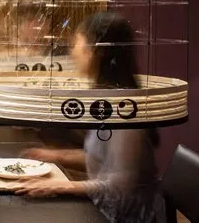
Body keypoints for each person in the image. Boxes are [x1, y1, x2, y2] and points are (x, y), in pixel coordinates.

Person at [15, 12, 166, 223]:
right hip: (104, 207)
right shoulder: (106, 97)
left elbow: (118, 186)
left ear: (97, 50)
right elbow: (103, 159)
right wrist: (55, 156)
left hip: (127, 216)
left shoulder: (124, 110)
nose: (72, 52)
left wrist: (60, 186)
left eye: (77, 42)